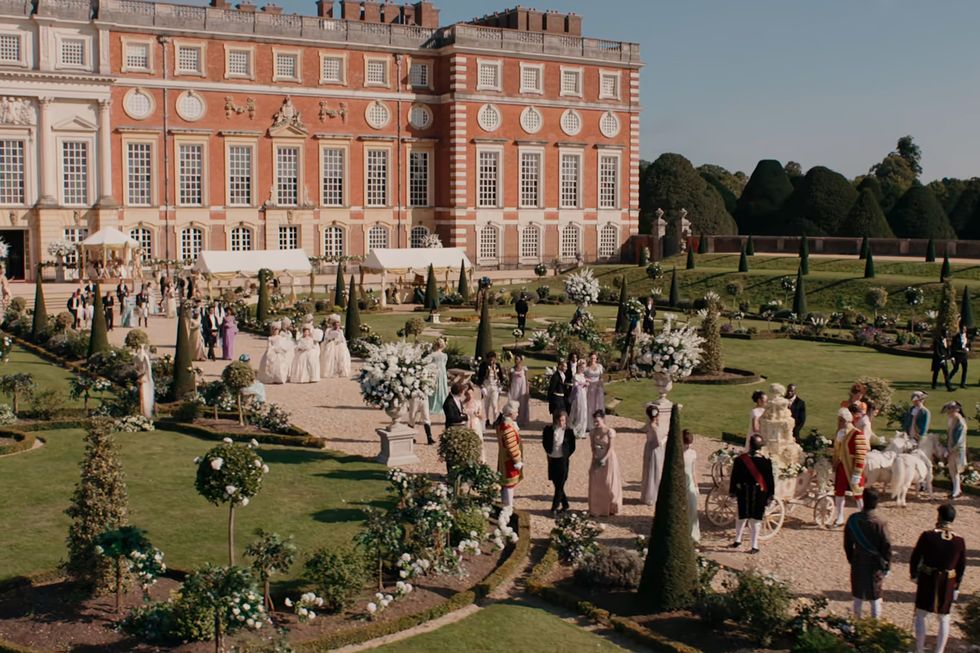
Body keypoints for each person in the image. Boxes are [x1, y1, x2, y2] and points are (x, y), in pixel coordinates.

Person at [910, 504, 967, 653]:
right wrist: (957, 586)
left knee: (922, 615)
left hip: (928, 577)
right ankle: (939, 650)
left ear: (939, 517)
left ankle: (919, 649)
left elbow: (915, 557)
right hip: (948, 581)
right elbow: (961, 566)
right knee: (944, 618)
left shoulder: (928, 535)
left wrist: (914, 575)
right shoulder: (959, 540)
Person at [843, 488, 891, 619]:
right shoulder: (880, 521)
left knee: (858, 596)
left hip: (858, 560)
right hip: (875, 564)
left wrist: (851, 559)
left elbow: (847, 543)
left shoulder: (853, 519)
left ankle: (857, 623)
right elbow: (886, 545)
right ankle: (874, 626)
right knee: (875, 596)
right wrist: (887, 564)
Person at [729, 434, 775, 554]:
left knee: (741, 517)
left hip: (743, 492)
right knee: (755, 521)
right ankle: (754, 545)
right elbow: (770, 480)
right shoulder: (766, 462)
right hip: (759, 493)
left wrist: (732, 491)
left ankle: (737, 539)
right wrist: (771, 495)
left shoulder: (740, 460)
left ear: (750, 445)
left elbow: (734, 477)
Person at [833, 403, 870, 527]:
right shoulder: (840, 434)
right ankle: (839, 517)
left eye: (842, 420)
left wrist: (858, 472)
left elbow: (861, 454)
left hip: (853, 467)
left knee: (858, 493)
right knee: (839, 492)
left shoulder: (857, 434)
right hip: (841, 466)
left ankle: (864, 516)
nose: (840, 422)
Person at [588, 410, 622, 517]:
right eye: (594, 421)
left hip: (609, 459)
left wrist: (604, 459)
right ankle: (598, 509)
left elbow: (611, 447)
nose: (596, 423)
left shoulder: (609, 432)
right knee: (597, 483)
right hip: (597, 458)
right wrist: (596, 458)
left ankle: (612, 506)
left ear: (603, 419)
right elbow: (592, 447)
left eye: (597, 421)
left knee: (609, 483)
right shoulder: (593, 432)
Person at [542, 411, 575, 513]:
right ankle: (565, 504)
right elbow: (545, 442)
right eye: (560, 420)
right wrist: (548, 452)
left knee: (560, 483)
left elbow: (572, 447)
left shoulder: (569, 432)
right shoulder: (548, 430)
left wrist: (565, 455)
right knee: (557, 484)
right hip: (552, 459)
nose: (561, 422)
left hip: (562, 460)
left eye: (563, 420)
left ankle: (554, 507)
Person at [496, 401, 523, 507]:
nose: (517, 414)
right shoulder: (508, 429)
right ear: (511, 414)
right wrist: (517, 460)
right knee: (509, 485)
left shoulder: (503, 425)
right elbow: (512, 448)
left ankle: (506, 504)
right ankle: (508, 506)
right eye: (516, 412)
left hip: (503, 459)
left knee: (505, 484)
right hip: (509, 461)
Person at [639, 403, 665, 506]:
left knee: (648, 471)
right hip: (655, 450)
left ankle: (647, 495)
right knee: (655, 472)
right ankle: (653, 495)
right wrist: (666, 437)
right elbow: (659, 442)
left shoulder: (649, 424)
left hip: (648, 447)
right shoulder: (654, 426)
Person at [941, 401, 967, 499]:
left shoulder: (960, 422)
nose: (949, 411)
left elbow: (959, 439)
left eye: (951, 409)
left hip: (957, 450)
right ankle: (956, 490)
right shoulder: (952, 419)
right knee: (952, 470)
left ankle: (956, 491)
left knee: (956, 470)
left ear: (957, 409)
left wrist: (950, 449)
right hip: (951, 448)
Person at [475, 350, 503, 427]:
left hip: (494, 387)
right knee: (486, 405)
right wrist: (482, 387)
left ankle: (495, 420)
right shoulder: (483, 365)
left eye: (493, 359)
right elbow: (480, 377)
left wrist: (500, 386)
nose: (491, 361)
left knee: (494, 404)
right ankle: (487, 419)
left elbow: (501, 377)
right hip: (486, 386)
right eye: (490, 359)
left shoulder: (497, 365)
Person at [683, 429, 701, 544]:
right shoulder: (677, 453)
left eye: (690, 443)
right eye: (686, 443)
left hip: (689, 483)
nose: (688, 445)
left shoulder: (693, 453)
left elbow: (694, 471)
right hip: (681, 481)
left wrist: (696, 486)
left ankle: (693, 535)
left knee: (692, 510)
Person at [427, 338, 449, 416]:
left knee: (435, 388)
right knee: (442, 388)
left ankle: (433, 404)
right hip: (442, 373)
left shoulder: (432, 355)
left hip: (435, 372)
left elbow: (427, 363)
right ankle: (441, 404)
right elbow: (444, 365)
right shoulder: (444, 355)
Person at [569, 360, 590, 439]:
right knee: (578, 412)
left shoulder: (583, 375)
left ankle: (582, 431)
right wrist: (584, 384)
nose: (583, 369)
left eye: (584, 367)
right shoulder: (576, 376)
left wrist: (586, 382)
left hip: (583, 395)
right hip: (578, 395)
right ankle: (575, 430)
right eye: (582, 367)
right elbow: (576, 386)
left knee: (584, 412)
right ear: (579, 367)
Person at [508, 354, 530, 427]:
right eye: (515, 359)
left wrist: (527, 390)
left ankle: (522, 420)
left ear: (521, 360)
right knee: (514, 404)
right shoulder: (512, 370)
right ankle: (514, 419)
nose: (516, 361)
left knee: (523, 404)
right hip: (515, 389)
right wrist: (509, 390)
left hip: (522, 389)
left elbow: (527, 381)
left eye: (517, 359)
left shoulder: (524, 369)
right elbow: (510, 381)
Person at [585, 352, 605, 429]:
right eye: (592, 358)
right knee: (590, 405)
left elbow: (601, 377)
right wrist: (588, 381)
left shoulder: (599, 366)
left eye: (594, 358)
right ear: (589, 358)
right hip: (590, 388)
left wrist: (601, 383)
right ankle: (589, 424)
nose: (593, 359)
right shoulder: (587, 367)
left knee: (599, 405)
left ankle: (599, 422)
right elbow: (584, 377)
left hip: (598, 387)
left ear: (596, 359)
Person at [133, 344, 154, 420]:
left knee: (144, 395)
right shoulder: (137, 358)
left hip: (144, 379)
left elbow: (145, 369)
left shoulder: (145, 358)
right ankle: (140, 411)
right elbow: (136, 367)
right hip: (141, 379)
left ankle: (144, 412)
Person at [463, 383, 486, 451]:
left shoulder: (477, 403)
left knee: (477, 439)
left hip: (475, 423)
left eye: (471, 394)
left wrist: (478, 415)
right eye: (468, 394)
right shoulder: (463, 403)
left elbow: (482, 416)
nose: (470, 396)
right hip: (466, 423)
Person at [949, 324, 970, 388]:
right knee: (956, 369)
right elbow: (952, 347)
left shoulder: (967, 336)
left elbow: (969, 345)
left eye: (965, 329)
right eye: (963, 329)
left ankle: (962, 384)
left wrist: (967, 348)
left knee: (965, 369)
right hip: (958, 355)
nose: (964, 330)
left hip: (964, 355)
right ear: (960, 329)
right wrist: (952, 357)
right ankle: (948, 380)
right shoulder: (956, 337)